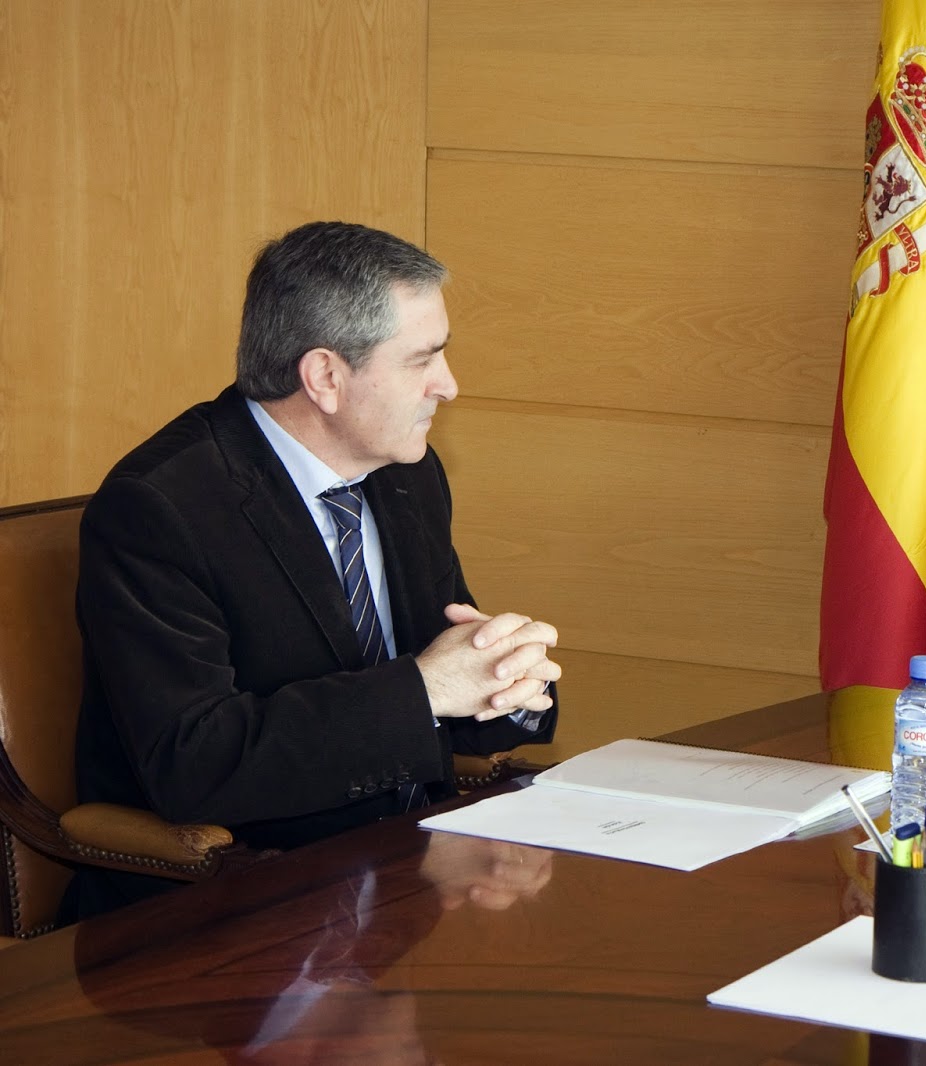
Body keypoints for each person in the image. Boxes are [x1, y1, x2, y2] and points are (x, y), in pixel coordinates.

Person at [68, 221, 561, 917]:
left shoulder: (404, 476)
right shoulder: (161, 509)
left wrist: (504, 681)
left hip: (403, 883)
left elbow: (443, 688)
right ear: (326, 376)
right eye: (424, 360)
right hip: (231, 906)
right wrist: (426, 689)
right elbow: (194, 764)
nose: (449, 386)